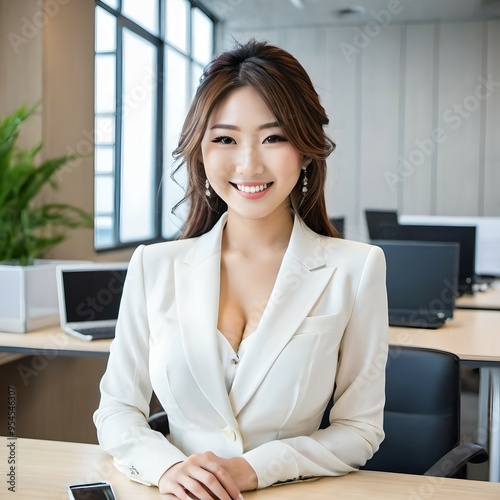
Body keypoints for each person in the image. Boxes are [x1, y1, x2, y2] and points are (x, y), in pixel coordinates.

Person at [94, 39, 388, 499]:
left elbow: (359, 429)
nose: (249, 164)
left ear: (307, 150)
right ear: (201, 151)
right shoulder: (154, 266)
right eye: (225, 139)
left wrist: (255, 469)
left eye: (274, 137)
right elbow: (116, 408)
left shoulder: (356, 268)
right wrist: (167, 468)